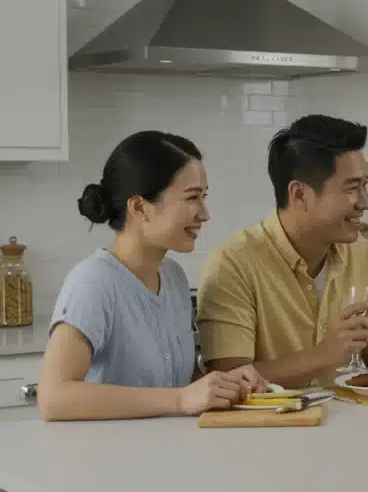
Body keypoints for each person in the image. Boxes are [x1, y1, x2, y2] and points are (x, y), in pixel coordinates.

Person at [196, 115, 368, 389]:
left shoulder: (364, 255)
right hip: (266, 429)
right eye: (351, 188)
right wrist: (325, 354)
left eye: (365, 185)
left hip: (346, 423)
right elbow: (230, 378)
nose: (365, 201)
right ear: (299, 194)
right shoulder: (233, 263)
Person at [38, 132, 267, 421]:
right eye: (192, 198)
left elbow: (175, 384)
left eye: (204, 197)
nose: (205, 213)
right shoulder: (93, 283)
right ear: (139, 207)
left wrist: (226, 383)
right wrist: (182, 399)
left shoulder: (173, 277)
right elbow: (53, 398)